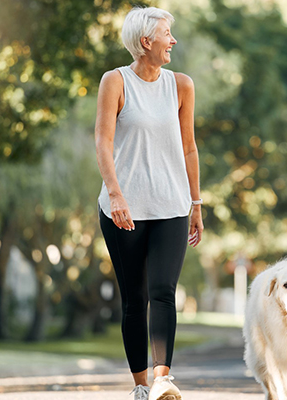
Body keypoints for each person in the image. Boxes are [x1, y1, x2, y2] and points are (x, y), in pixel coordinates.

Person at [95, 6, 203, 400]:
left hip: (171, 207)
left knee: (163, 290)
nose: (172, 40)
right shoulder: (115, 81)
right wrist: (117, 195)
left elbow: (189, 148)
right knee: (134, 298)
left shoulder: (182, 85)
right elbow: (103, 142)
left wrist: (196, 204)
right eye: (166, 34)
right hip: (123, 210)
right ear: (146, 41)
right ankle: (140, 386)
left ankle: (162, 380)